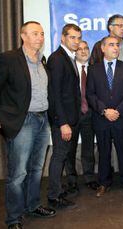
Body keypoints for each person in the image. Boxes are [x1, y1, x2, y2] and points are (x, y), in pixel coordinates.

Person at [0, 21, 56, 229]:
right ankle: (14, 218)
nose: (40, 37)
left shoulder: (41, 60)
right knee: (18, 174)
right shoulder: (8, 59)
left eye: (42, 34)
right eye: (35, 33)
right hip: (22, 122)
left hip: (43, 121)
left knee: (36, 169)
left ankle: (33, 205)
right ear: (23, 36)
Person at [86, 36, 123, 197]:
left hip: (122, 118)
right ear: (102, 48)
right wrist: (104, 111)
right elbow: (90, 94)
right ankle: (103, 182)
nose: (115, 48)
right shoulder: (94, 69)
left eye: (117, 45)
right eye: (111, 45)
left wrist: (118, 111)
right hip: (101, 119)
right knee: (103, 152)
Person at [47, 23, 81, 209]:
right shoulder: (58, 59)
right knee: (59, 156)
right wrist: (62, 123)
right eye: (72, 37)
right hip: (63, 121)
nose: (76, 41)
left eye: (78, 37)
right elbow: (55, 94)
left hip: (70, 118)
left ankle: (57, 190)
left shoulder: (68, 57)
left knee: (63, 155)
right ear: (63, 38)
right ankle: (54, 196)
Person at [64, 40, 98, 191]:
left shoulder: (95, 70)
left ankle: (89, 177)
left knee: (88, 148)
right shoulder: (70, 69)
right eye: (80, 49)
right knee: (70, 149)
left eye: (86, 48)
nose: (83, 51)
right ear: (74, 52)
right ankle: (71, 179)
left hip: (90, 114)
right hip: (73, 114)